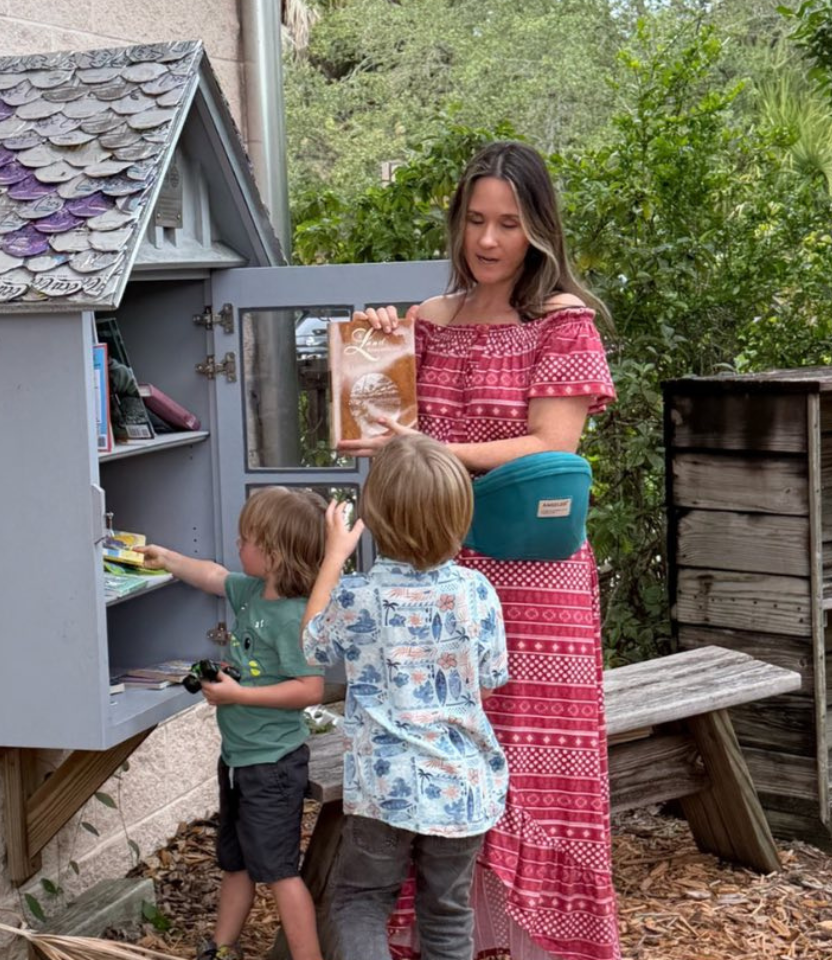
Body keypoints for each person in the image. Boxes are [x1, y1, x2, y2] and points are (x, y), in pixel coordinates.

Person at [341, 140, 620, 960]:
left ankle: (540, 943)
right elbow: (370, 437)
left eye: (508, 223)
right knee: (435, 751)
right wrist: (374, 352)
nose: (489, 241)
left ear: (538, 228)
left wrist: (433, 447)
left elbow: (550, 443)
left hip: (533, 578)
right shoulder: (424, 320)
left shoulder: (562, 320)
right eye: (475, 221)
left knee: (529, 758)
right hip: (434, 566)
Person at [301, 434, 509, 960]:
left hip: (384, 791)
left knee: (361, 902)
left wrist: (334, 557)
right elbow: (490, 678)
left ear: (377, 515)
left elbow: (311, 646)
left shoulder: (357, 595)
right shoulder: (476, 591)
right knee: (446, 915)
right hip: (461, 790)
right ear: (459, 516)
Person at [142, 486, 329, 960]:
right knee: (236, 863)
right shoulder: (251, 593)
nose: (238, 545)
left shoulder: (291, 617)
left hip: (273, 768)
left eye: (246, 538)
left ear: (274, 553)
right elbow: (212, 575)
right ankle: (220, 949)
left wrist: (238, 694)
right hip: (239, 762)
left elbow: (310, 690)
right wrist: (167, 558)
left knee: (280, 873)